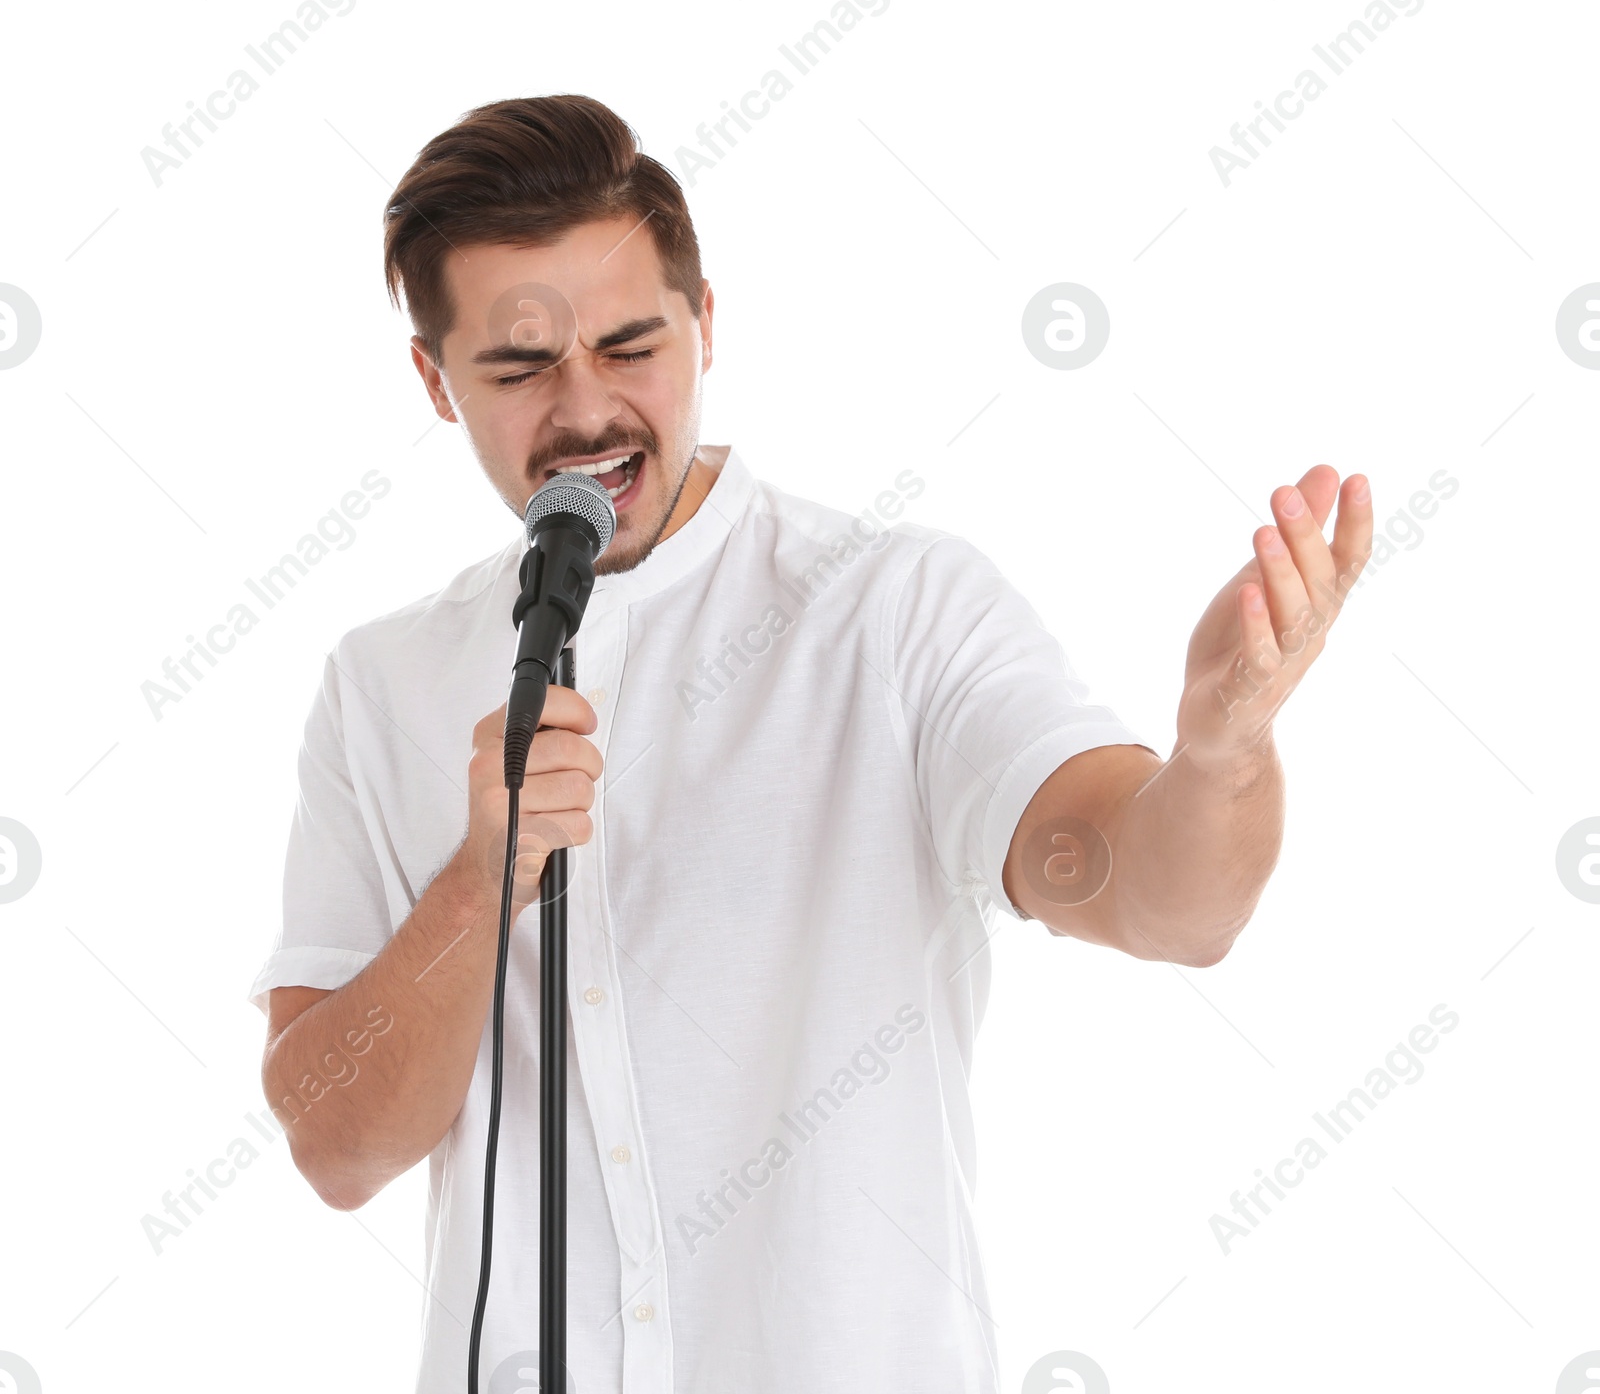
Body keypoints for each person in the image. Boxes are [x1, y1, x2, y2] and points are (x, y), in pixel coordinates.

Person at [250, 94, 1372, 1392]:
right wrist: (475, 883)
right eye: (517, 368)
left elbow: (1158, 899)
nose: (588, 410)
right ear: (436, 381)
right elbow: (334, 1147)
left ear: (706, 323)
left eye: (631, 345)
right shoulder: (380, 685)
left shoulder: (891, 608)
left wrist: (1221, 755)